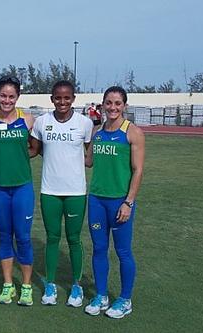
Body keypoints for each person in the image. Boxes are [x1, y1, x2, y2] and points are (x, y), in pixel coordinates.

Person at [29, 80, 93, 307]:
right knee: (53, 237)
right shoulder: (41, 122)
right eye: (58, 97)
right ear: (52, 99)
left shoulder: (84, 123)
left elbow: (89, 157)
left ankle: (76, 285)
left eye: (67, 98)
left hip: (76, 191)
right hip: (50, 191)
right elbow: (33, 151)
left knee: (74, 238)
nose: (62, 102)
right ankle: (51, 284)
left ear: (73, 99)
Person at [84, 86, 145, 319]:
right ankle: (101, 295)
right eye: (108, 103)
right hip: (97, 200)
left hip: (120, 202)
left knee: (122, 251)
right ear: (102, 105)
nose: (112, 107)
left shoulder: (133, 133)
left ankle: (125, 299)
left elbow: (138, 170)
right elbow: (88, 162)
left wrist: (128, 202)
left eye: (117, 103)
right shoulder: (98, 133)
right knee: (99, 249)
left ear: (125, 106)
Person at [0, 76, 36, 306]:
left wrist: (16, 156)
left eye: (11, 96)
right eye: (3, 95)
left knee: (23, 237)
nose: (7, 100)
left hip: (22, 187)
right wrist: (0, 154)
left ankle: (27, 286)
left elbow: (34, 148)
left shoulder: (28, 120)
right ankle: (8, 285)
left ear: (18, 97)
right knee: (4, 236)